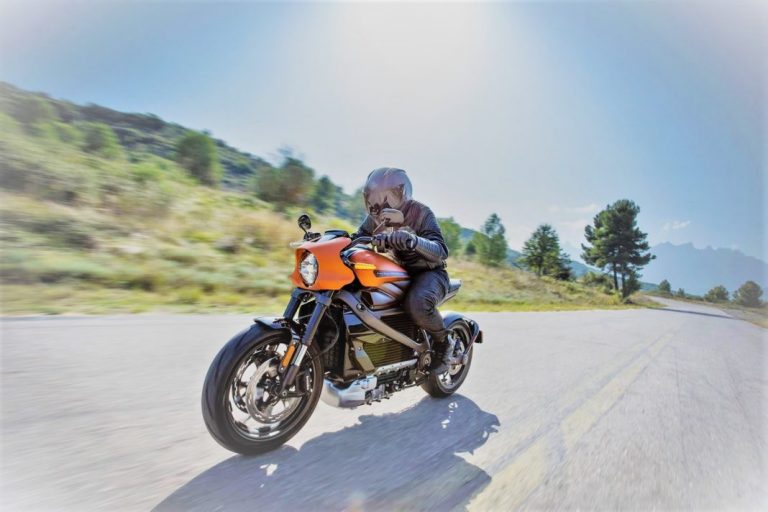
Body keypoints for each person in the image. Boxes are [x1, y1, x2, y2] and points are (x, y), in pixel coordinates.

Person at [352, 167, 455, 373]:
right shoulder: (374, 217)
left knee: (417, 303)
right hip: (399, 271)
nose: (380, 204)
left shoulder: (421, 213)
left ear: (402, 194)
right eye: (374, 198)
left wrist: (413, 241)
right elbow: (358, 238)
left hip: (430, 273)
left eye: (387, 197)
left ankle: (444, 343)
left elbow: (441, 251)